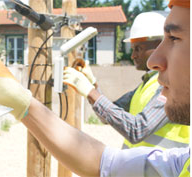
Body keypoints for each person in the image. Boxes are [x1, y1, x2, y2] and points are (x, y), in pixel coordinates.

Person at [0, 0, 190, 176]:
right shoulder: (183, 161)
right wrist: (21, 102)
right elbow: (106, 163)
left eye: (175, 39)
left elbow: (136, 128)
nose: (151, 61)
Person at [63, 10, 189, 149]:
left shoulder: (170, 88)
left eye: (138, 49)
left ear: (159, 46)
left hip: (164, 171)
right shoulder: (145, 86)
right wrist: (92, 82)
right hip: (142, 170)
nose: (133, 55)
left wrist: (90, 91)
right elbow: (106, 116)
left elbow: (137, 130)